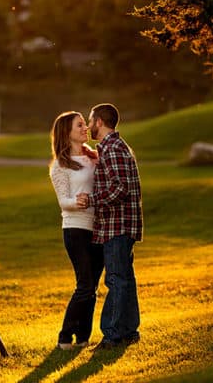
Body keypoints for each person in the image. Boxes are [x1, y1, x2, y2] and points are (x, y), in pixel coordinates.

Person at [76, 103, 142, 349]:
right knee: (124, 278)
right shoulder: (113, 147)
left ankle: (113, 334)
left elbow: (120, 188)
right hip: (120, 225)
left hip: (118, 225)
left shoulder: (113, 149)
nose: (89, 125)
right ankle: (129, 331)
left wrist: (92, 200)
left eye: (91, 121)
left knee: (116, 279)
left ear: (100, 122)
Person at [49, 111, 105, 350]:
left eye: (85, 124)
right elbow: (63, 201)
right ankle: (64, 337)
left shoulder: (95, 157)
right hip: (75, 229)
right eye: (80, 125)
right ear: (67, 133)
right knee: (84, 284)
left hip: (99, 229)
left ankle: (83, 338)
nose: (86, 128)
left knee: (91, 287)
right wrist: (79, 201)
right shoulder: (59, 166)